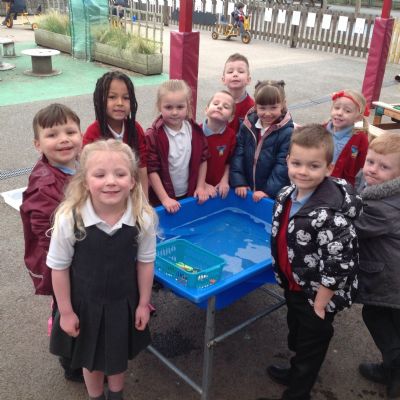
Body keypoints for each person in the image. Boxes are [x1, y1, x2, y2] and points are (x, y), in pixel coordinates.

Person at [47, 139, 157, 400]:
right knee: (90, 360)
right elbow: (58, 268)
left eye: (120, 174)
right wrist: (66, 312)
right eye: (100, 175)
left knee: (118, 356)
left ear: (133, 181)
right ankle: (95, 396)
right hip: (84, 304)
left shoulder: (143, 217)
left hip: (123, 302)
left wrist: (144, 303)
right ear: (85, 181)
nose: (111, 181)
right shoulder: (70, 218)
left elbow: (145, 262)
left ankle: (116, 395)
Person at [258, 124, 361, 400]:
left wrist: (320, 303)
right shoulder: (285, 195)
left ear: (328, 168)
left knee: (311, 345)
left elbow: (340, 264)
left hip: (319, 295)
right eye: (297, 163)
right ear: (288, 161)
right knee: (298, 335)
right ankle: (295, 373)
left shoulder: (331, 215)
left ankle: (298, 392)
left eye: (313, 166)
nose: (303, 171)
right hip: (295, 284)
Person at [19, 103, 84, 382]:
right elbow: (46, 232)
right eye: (52, 135)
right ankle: (71, 363)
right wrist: (65, 266)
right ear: (38, 144)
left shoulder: (77, 166)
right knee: (67, 308)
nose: (64, 139)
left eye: (70, 132)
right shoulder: (45, 184)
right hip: (64, 263)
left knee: (72, 305)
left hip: (76, 255)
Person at [354, 132, 400, 399]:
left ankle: (394, 368)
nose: (372, 170)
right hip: (392, 272)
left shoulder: (386, 207)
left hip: (392, 278)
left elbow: (353, 225)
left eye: (384, 167)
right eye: (370, 161)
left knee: (376, 314)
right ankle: (391, 367)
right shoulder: (378, 186)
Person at [145, 79, 210, 213]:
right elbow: (151, 170)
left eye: (180, 107)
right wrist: (164, 199)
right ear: (159, 106)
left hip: (190, 193)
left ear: (188, 106)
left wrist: (200, 186)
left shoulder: (195, 130)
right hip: (162, 199)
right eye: (168, 107)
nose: (174, 112)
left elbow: (203, 159)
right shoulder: (153, 135)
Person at [84, 71, 149, 198]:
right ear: (99, 100)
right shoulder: (93, 133)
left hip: (132, 193)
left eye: (126, 98)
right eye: (112, 97)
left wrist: (144, 200)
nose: (120, 102)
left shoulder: (135, 129)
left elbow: (142, 168)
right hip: (105, 197)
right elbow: (87, 173)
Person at [230, 80, 294, 202]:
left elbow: (282, 165)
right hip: (246, 187)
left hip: (268, 194)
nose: (267, 113)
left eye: (273, 107)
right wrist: (239, 181)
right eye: (262, 108)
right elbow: (238, 153)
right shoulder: (247, 125)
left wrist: (268, 191)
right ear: (255, 106)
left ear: (283, 104)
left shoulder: (287, 132)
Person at [325, 89, 369, 186]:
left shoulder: (360, 138)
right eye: (337, 108)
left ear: (358, 118)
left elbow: (361, 167)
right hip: (318, 179)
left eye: (347, 111)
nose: (339, 113)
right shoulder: (322, 129)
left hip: (342, 186)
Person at [201, 90, 236, 199]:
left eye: (226, 107)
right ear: (206, 110)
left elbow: (229, 161)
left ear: (231, 117)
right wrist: (203, 184)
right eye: (216, 103)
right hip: (198, 189)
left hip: (219, 188)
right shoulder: (195, 133)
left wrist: (224, 181)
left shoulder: (231, 135)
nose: (219, 107)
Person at [222, 53, 255, 135]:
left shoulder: (252, 108)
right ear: (223, 80)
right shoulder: (218, 104)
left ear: (248, 80)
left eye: (241, 71)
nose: (235, 74)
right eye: (230, 72)